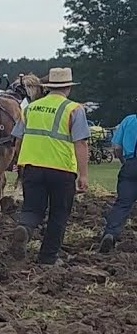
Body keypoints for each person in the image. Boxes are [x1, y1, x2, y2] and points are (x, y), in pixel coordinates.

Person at [8, 67, 90, 265]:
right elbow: (81, 143)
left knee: (32, 209)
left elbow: (17, 139)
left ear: (48, 87)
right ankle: (47, 258)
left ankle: (25, 229)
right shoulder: (74, 110)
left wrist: (18, 163)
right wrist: (83, 174)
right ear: (68, 88)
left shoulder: (30, 108)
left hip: (31, 167)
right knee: (58, 214)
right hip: (61, 170)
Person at [99, 110, 136, 252]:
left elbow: (117, 147)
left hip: (131, 165)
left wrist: (123, 162)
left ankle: (110, 233)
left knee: (122, 204)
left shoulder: (129, 120)